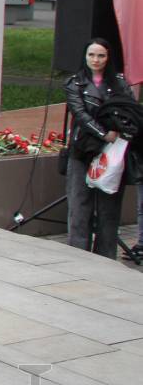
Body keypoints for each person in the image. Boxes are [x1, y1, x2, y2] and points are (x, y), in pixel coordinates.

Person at [63, 37, 135, 260]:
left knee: (108, 207)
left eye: (101, 55)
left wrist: (118, 130)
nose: (96, 59)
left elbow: (130, 110)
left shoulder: (120, 83)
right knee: (79, 205)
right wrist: (104, 133)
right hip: (83, 148)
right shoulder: (75, 83)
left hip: (113, 152)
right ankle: (78, 255)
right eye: (91, 55)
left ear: (108, 57)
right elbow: (80, 114)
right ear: (85, 56)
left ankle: (105, 256)